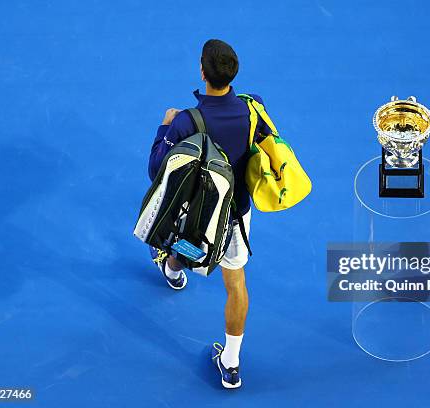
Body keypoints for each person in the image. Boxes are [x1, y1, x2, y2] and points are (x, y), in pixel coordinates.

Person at [147, 39, 270, 389]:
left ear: (202, 72)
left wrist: (164, 127)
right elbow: (262, 143)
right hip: (235, 216)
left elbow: (157, 169)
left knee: (186, 242)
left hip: (197, 214)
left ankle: (173, 269)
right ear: (234, 73)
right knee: (235, 283)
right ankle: (230, 364)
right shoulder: (254, 108)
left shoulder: (186, 121)